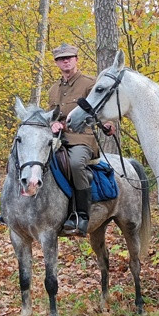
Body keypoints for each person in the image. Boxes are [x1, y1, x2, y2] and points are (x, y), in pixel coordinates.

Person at [47, 43, 114, 236]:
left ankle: (82, 216)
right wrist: (53, 123)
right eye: (61, 58)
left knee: (76, 164)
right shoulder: (53, 89)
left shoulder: (89, 83)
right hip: (56, 138)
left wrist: (109, 124)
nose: (65, 61)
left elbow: (102, 108)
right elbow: (51, 115)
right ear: (57, 63)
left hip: (82, 138)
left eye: (69, 57)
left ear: (76, 59)